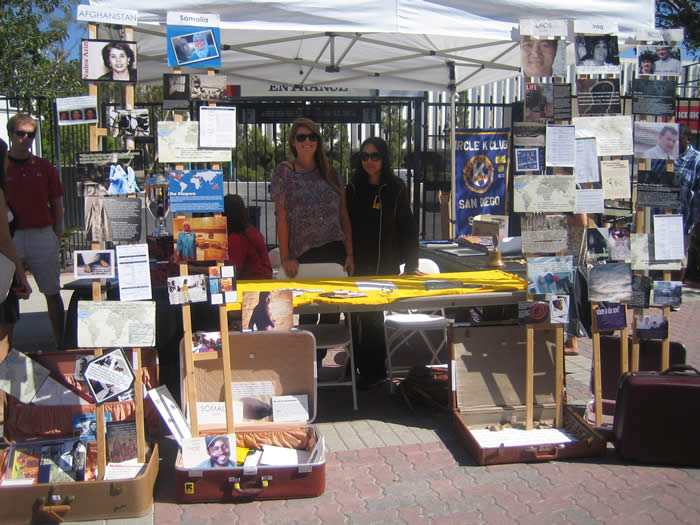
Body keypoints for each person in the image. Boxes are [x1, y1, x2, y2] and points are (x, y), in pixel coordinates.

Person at [346, 137, 419, 387]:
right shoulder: (353, 187)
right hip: (358, 264)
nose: (369, 161)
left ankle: (374, 371)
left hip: (385, 264)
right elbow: (347, 226)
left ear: (384, 158)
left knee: (375, 318)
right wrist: (348, 256)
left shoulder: (396, 187)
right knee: (356, 317)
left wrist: (411, 265)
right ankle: (355, 365)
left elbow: (408, 227)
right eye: (364, 156)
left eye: (374, 156)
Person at [270, 117, 354, 307]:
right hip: (302, 256)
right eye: (301, 137)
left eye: (312, 137)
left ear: (318, 141)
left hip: (335, 252)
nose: (307, 141)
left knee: (332, 311)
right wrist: (285, 258)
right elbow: (282, 219)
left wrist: (350, 254)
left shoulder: (332, 173)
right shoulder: (285, 172)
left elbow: (343, 215)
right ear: (293, 142)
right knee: (305, 311)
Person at [5, 114, 63, 349]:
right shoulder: (2, 165)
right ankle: (7, 349)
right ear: (10, 134)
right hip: (11, 237)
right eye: (20, 133)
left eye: (31, 135)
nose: (25, 139)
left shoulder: (43, 166)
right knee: (7, 296)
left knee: (51, 290)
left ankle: (61, 344)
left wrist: (57, 235)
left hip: (41, 234)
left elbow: (57, 202)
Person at [223, 194, 272, 280]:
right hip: (262, 282)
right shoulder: (251, 232)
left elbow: (229, 272)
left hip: (252, 286)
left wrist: (194, 269)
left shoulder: (237, 238)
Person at [675, 125, 700, 284]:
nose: (674, 142)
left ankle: (673, 294)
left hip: (685, 218)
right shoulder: (664, 156)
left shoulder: (696, 159)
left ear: (688, 139)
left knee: (680, 255)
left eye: (679, 138)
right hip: (659, 215)